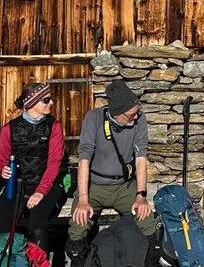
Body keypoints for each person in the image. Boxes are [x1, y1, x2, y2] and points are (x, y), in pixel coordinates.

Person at [66, 79, 159, 267]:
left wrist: (141, 196)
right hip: (95, 187)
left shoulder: (139, 119)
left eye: (137, 112)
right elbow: (84, 159)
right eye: (130, 115)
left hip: (124, 187)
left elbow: (141, 158)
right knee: (78, 226)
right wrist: (83, 199)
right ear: (116, 113)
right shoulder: (94, 118)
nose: (135, 117)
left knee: (148, 223)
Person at [0, 82, 68, 250]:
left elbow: (54, 163)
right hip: (17, 184)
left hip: (46, 184)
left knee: (37, 224)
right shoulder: (9, 129)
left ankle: (39, 260)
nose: (51, 103)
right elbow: (1, 159)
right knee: (3, 225)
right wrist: (2, 169)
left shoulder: (54, 127)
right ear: (31, 102)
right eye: (46, 100)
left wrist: (40, 192)